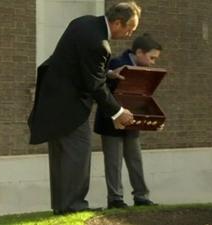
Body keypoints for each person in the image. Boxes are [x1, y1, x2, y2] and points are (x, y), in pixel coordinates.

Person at [27, 2, 141, 215]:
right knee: (78, 154)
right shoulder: (99, 43)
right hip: (71, 106)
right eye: (129, 28)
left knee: (60, 157)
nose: (130, 34)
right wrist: (118, 112)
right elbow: (94, 84)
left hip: (53, 101)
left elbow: (77, 63)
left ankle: (62, 206)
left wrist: (107, 73)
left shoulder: (83, 23)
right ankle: (74, 206)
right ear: (117, 23)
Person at [94, 33, 162, 209]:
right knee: (114, 162)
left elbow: (141, 96)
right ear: (139, 52)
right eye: (151, 57)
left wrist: (151, 117)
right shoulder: (116, 64)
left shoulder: (143, 69)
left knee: (135, 159)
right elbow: (102, 90)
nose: (153, 62)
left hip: (131, 121)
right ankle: (115, 199)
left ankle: (141, 197)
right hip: (110, 121)